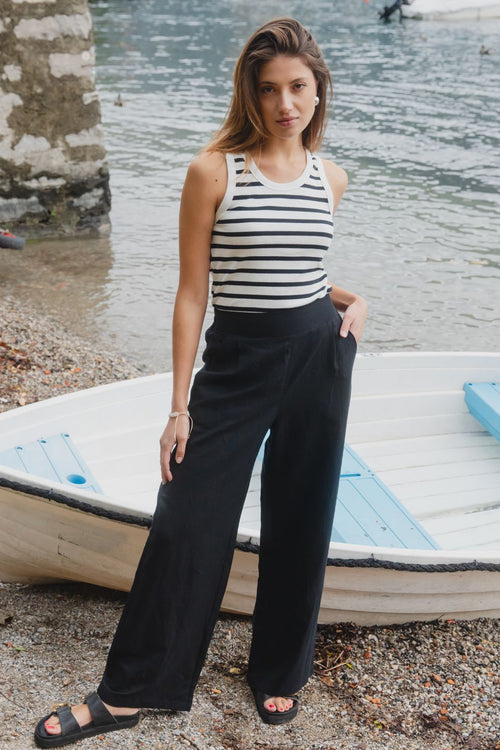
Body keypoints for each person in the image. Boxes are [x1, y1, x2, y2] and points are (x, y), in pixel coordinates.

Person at [34, 16, 368, 747]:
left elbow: (299, 272)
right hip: (237, 365)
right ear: (251, 93)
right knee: (188, 521)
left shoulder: (331, 177)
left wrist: (349, 299)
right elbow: (194, 292)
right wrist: (177, 405)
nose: (286, 103)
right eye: (271, 89)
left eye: (299, 88)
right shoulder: (214, 170)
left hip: (318, 359)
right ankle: (133, 690)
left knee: (301, 519)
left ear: (319, 90)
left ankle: (279, 672)